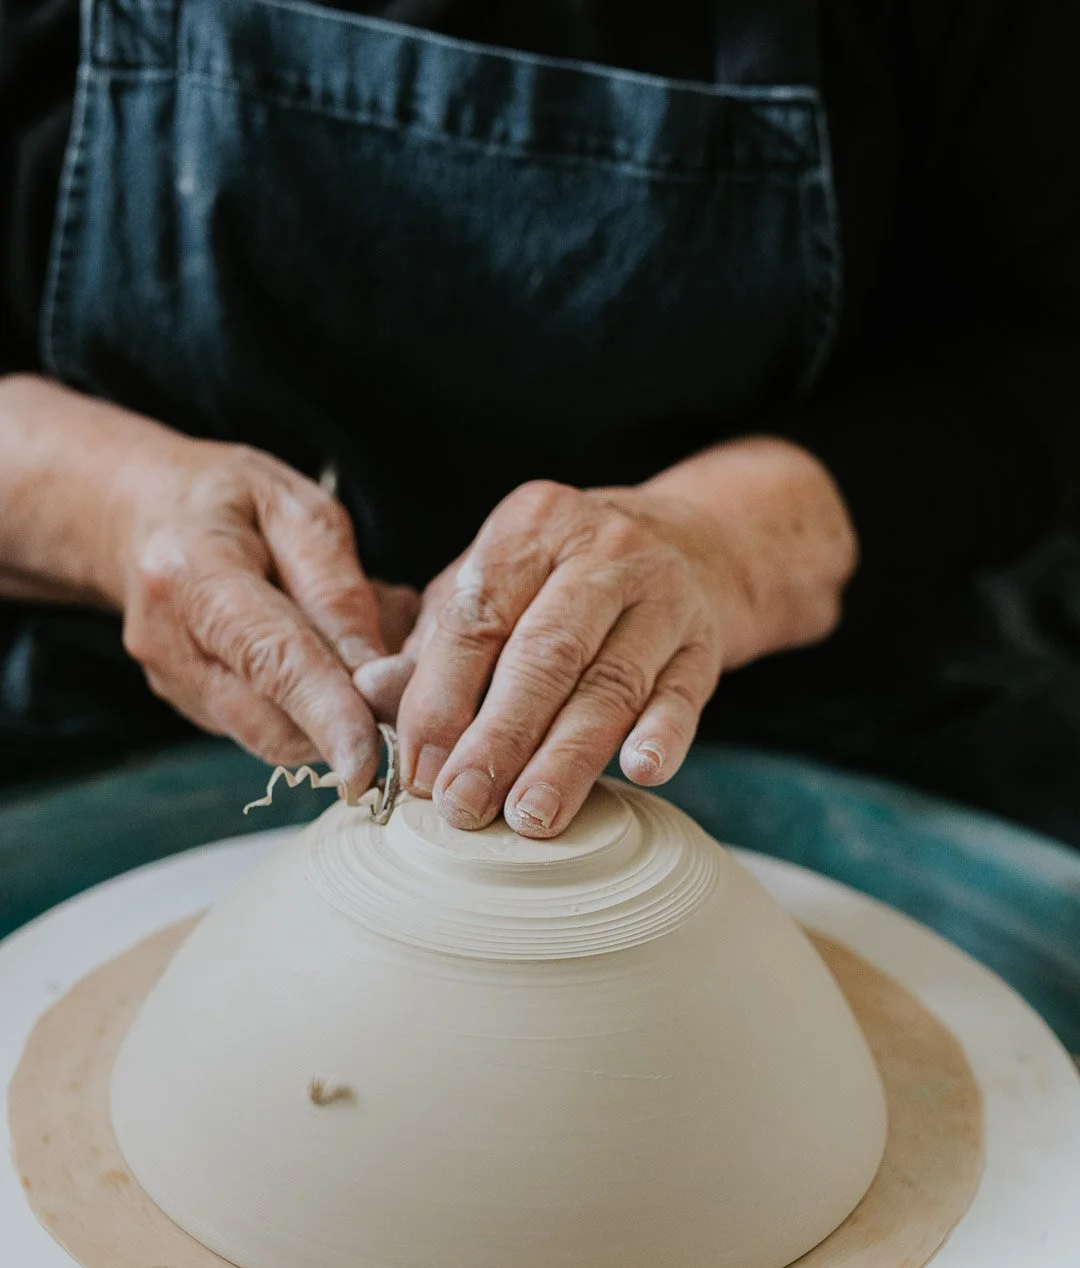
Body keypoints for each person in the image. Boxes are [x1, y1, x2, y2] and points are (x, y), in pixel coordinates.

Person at [1, 0, 1077, 838]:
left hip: (782, 697)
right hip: (144, 697)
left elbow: (1036, 350)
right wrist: (113, 509)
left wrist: (733, 543)